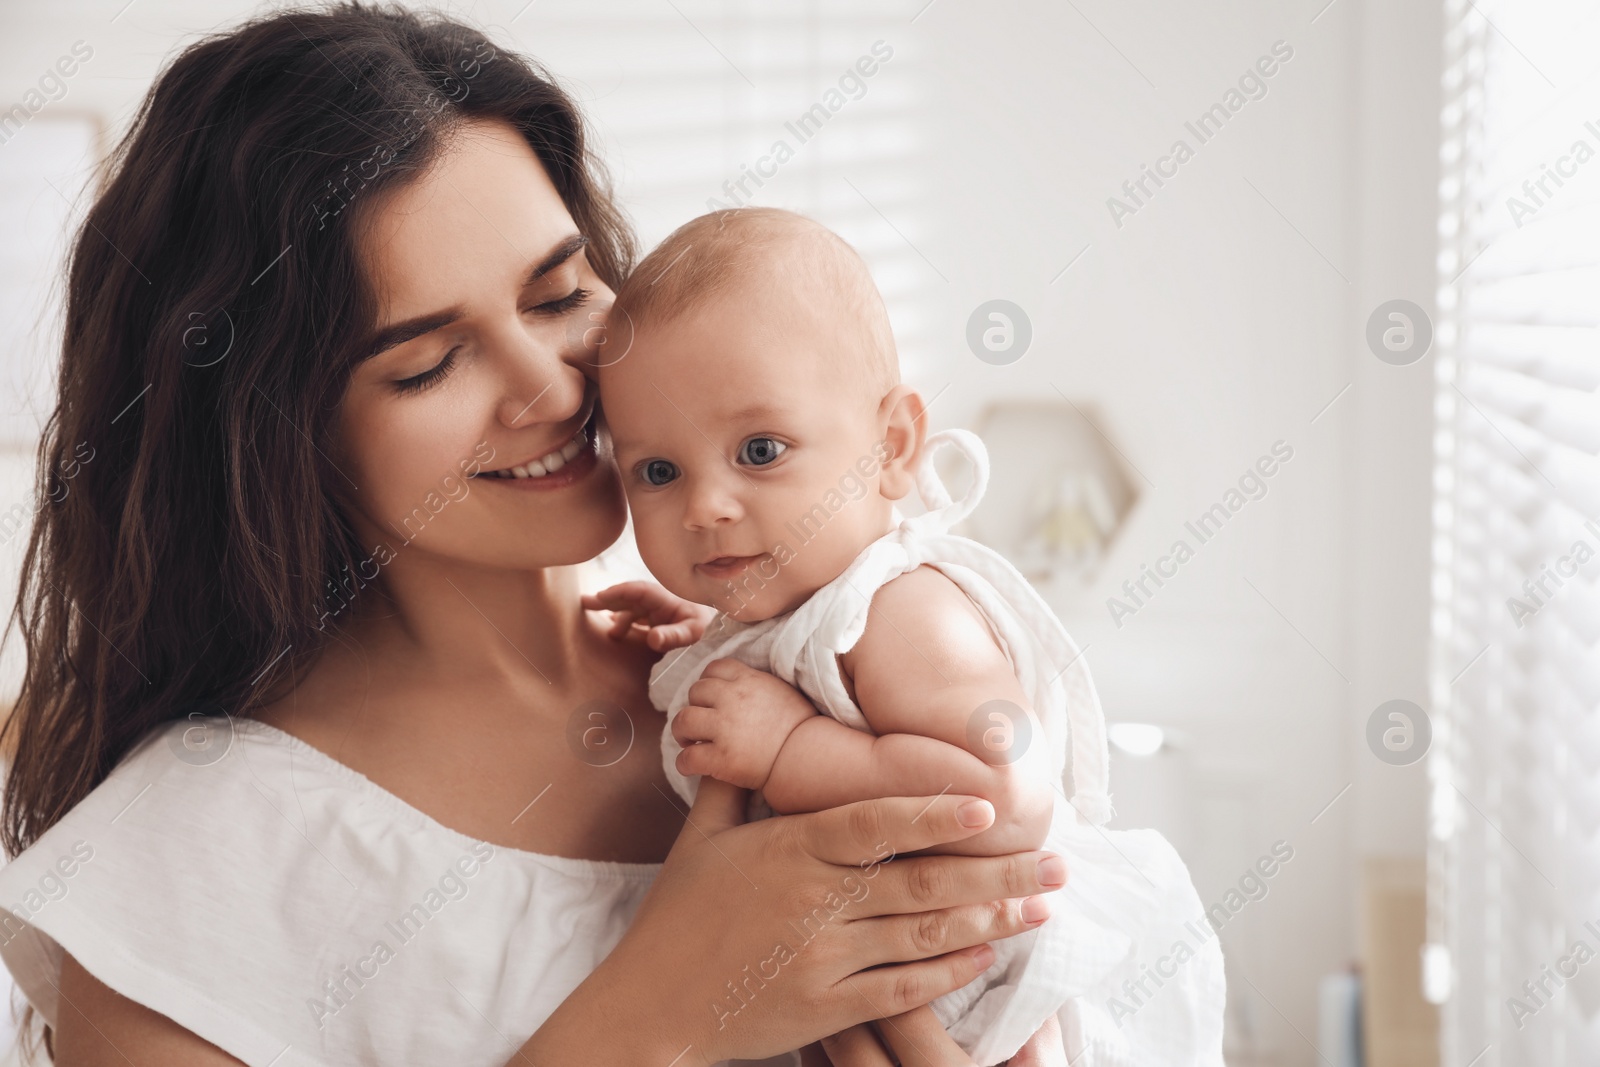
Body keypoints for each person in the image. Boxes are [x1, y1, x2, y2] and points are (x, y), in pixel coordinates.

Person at [0, 5, 1071, 1065]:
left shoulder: (811, 656)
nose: (552, 388)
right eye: (428, 363)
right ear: (276, 434)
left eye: (560, 294)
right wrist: (657, 1012)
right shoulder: (188, 866)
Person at [588, 209, 1226, 1065]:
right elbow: (819, 668)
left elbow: (1002, 796)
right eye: (658, 471)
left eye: (761, 448)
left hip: (989, 999)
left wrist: (789, 744)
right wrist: (716, 643)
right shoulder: (807, 614)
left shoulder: (904, 609)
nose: (705, 506)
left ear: (891, 446)